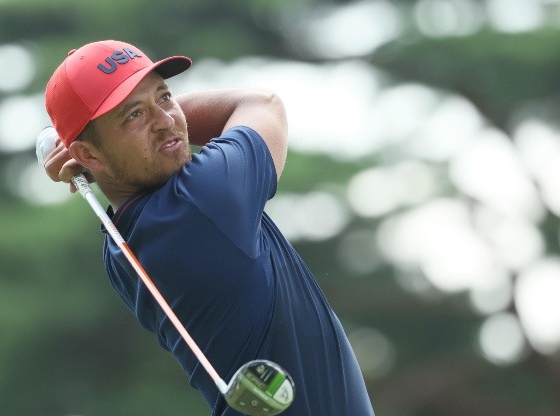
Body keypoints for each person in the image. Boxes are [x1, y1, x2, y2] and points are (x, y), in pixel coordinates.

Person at [42, 39, 375, 416]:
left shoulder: (119, 247)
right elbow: (260, 103)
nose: (167, 120)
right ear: (87, 156)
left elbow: (129, 150)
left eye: (165, 97)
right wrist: (81, 147)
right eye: (134, 115)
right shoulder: (203, 200)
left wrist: (90, 148)